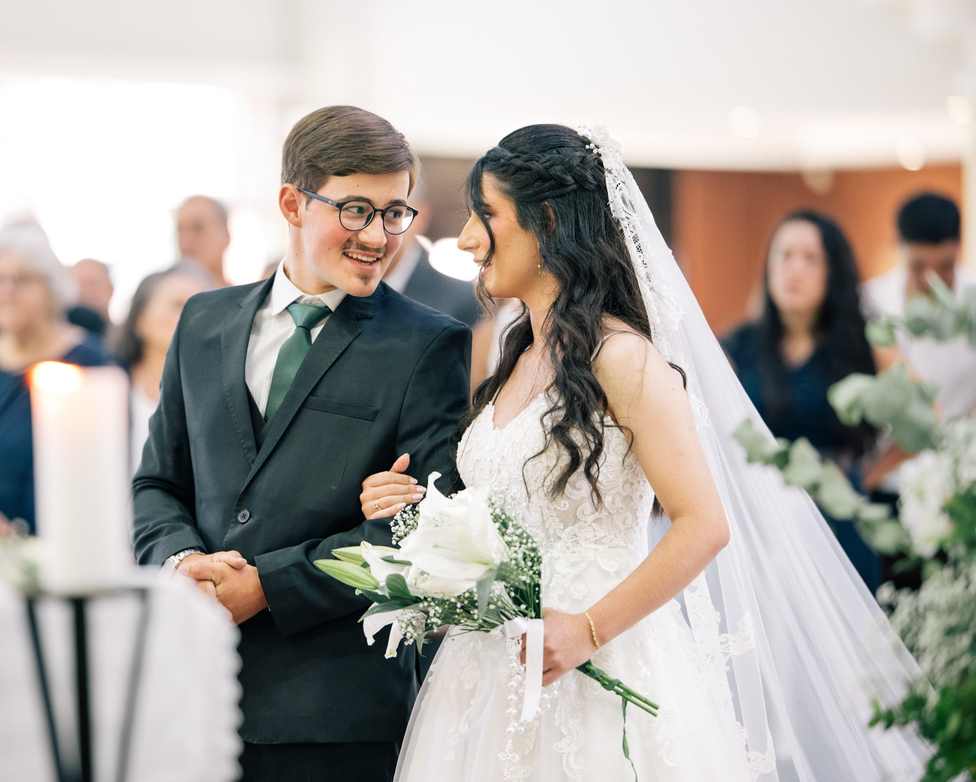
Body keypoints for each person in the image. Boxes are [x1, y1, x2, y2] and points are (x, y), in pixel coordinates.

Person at [360, 125, 928, 780]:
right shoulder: (511, 356)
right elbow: (503, 510)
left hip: (598, 663)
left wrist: (588, 630)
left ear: (547, 221)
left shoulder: (624, 358)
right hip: (488, 671)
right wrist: (417, 514)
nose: (465, 239)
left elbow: (704, 524)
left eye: (484, 215)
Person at [132, 105, 471, 782]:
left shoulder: (427, 343)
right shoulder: (202, 321)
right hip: (192, 692)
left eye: (394, 213)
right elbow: (157, 484)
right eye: (356, 210)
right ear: (293, 203)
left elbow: (424, 532)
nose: (378, 236)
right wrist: (184, 565)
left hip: (334, 713)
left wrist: (268, 586)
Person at [722, 211, 884, 591]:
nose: (794, 268)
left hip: (839, 521)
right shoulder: (738, 346)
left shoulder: (862, 346)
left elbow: (925, 417)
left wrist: (866, 476)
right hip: (761, 524)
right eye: (784, 254)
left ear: (834, 271)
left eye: (811, 258)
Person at [0, 218, 109, 536]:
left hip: (69, 539)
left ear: (53, 289)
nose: (7, 292)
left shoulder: (92, 363)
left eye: (21, 280)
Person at [865, 192, 974, 421]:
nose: (932, 280)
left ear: (959, 245)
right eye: (918, 266)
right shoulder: (871, 301)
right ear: (896, 242)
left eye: (945, 266)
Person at [113, 261, 213, 471]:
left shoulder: (220, 394)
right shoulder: (109, 387)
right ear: (140, 319)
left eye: (203, 308)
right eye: (178, 305)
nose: (193, 317)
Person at [382, 187, 482, 328]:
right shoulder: (348, 288)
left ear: (421, 217)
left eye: (394, 214)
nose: (375, 230)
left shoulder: (462, 301)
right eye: (361, 210)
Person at [175, 195, 231, 288]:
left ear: (226, 235)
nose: (185, 242)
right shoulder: (156, 293)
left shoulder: (249, 296)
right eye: (180, 231)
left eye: (197, 228)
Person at [68, 258, 115, 338]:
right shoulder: (61, 339)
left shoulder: (124, 337)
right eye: (78, 286)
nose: (85, 292)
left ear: (110, 290)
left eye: (91, 284)